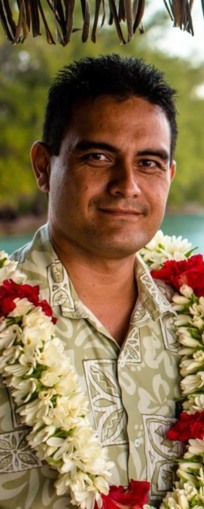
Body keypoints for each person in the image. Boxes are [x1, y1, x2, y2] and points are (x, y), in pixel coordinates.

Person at [0, 54, 182, 507]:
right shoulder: (6, 312)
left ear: (170, 176)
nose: (127, 185)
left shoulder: (195, 318)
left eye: (149, 163)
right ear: (44, 166)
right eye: (98, 156)